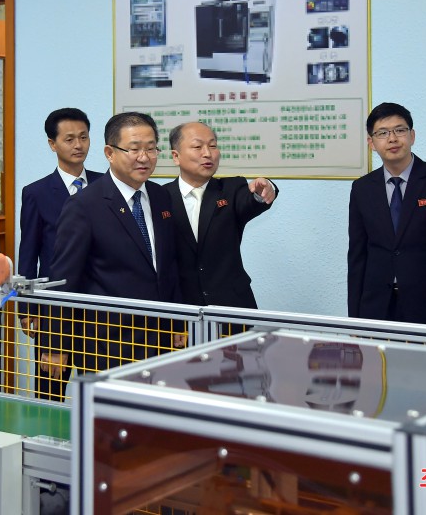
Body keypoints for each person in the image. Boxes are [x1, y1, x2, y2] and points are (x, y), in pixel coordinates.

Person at [42, 112, 183, 379]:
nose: (145, 157)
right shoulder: (84, 206)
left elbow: (168, 265)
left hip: (160, 340)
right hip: (108, 345)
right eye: (134, 149)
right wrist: (55, 344)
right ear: (109, 152)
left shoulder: (161, 196)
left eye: (151, 148)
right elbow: (63, 280)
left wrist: (177, 323)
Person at [348, 103, 426, 325]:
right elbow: (357, 257)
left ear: (412, 136)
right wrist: (355, 320)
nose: (392, 139)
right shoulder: (362, 189)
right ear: (371, 143)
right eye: (382, 133)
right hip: (376, 307)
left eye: (400, 130)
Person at [18, 107, 103, 400]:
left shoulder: (107, 185)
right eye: (69, 139)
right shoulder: (36, 192)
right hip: (55, 310)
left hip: (101, 307)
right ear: (52, 144)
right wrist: (27, 309)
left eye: (83, 137)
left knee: (102, 393)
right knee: (50, 392)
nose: (78, 145)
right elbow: (28, 254)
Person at [163, 121, 277, 317]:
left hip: (233, 308)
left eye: (213, 145)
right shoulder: (160, 197)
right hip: (183, 311)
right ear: (176, 156)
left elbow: (251, 201)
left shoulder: (232, 189)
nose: (208, 153)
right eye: (197, 147)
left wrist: (265, 190)